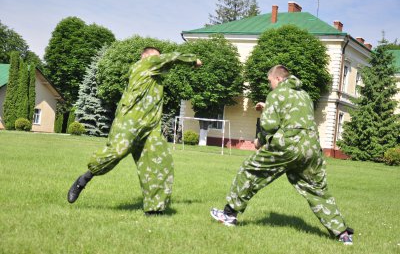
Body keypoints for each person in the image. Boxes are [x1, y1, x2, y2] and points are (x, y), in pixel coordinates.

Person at [210, 65, 354, 245]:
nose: (270, 85)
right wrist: (268, 107)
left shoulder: (276, 94)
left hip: (288, 145)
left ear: (277, 79)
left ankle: (229, 215)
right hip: (311, 147)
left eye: (270, 81)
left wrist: (260, 140)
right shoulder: (304, 95)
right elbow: (293, 116)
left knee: (250, 171)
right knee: (316, 189)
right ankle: (342, 233)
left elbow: (269, 125)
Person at [67, 47, 202, 215]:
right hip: (130, 122)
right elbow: (171, 57)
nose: (157, 61)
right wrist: (193, 60)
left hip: (150, 127)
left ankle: (154, 209)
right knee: (116, 152)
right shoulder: (143, 65)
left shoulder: (156, 77)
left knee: (161, 163)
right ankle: (83, 179)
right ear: (145, 57)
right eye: (155, 57)